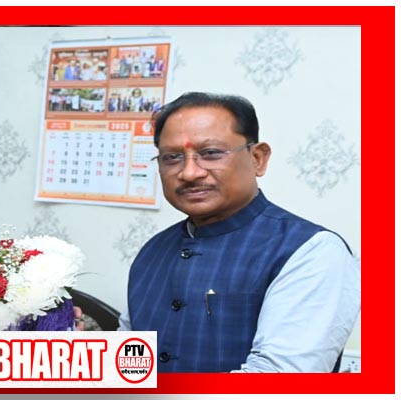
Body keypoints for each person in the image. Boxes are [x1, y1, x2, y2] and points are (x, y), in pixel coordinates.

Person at [118, 92, 360, 372]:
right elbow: (129, 368)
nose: (189, 173)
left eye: (210, 153)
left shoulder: (312, 251)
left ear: (257, 158)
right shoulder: (154, 249)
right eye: (172, 157)